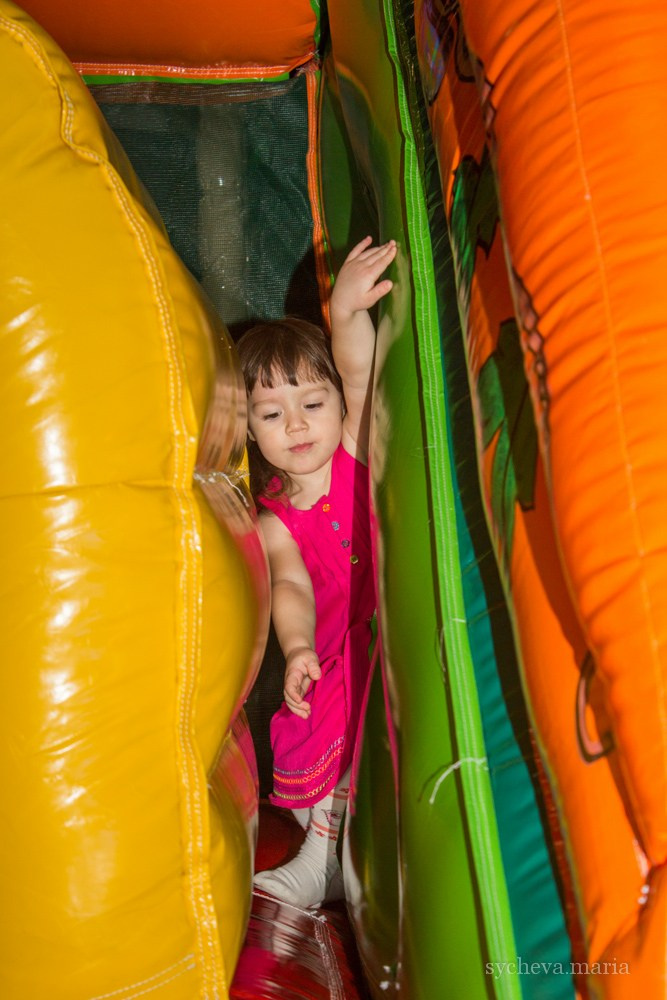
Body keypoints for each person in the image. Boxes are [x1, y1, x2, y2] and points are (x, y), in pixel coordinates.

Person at [236, 236, 397, 908]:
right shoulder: (273, 515)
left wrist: (348, 315)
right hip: (331, 647)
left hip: (377, 631)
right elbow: (292, 586)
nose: (296, 425)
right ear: (249, 430)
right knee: (314, 720)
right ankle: (321, 842)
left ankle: (325, 853)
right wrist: (297, 646)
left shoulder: (355, 456)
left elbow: (359, 376)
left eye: (312, 403)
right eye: (272, 414)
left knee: (349, 704)